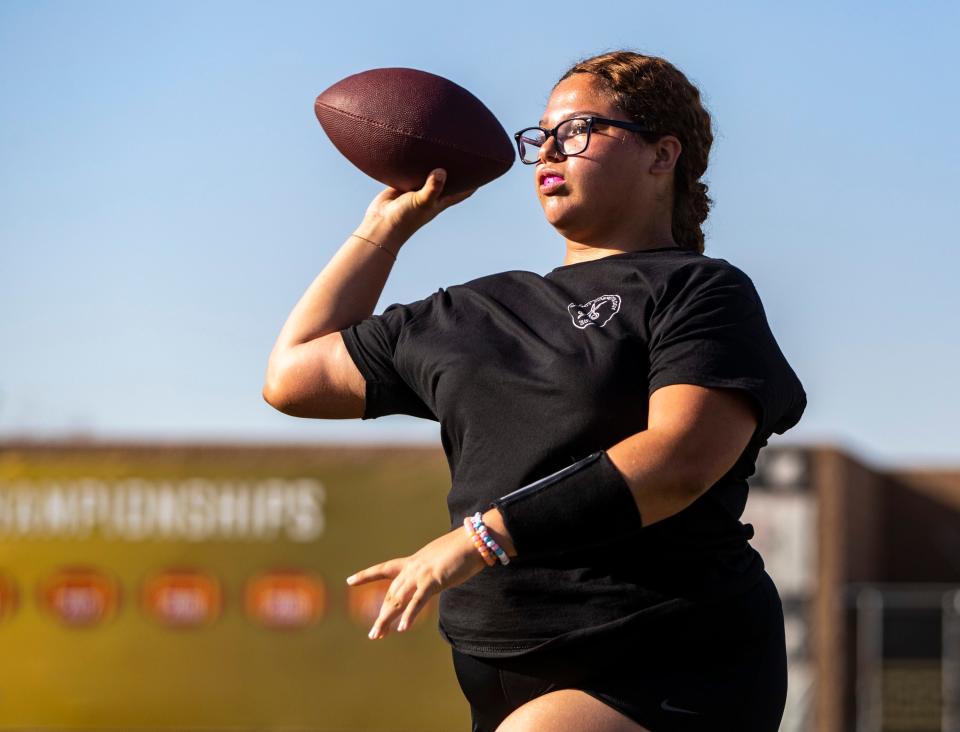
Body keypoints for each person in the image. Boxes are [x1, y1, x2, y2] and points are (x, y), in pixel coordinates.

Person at [263, 50, 807, 732]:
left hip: (667, 660)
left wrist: (479, 540)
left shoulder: (698, 292)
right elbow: (293, 377)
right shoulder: (472, 312)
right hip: (499, 666)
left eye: (578, 129)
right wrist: (384, 229)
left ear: (661, 154)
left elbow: (680, 461)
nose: (549, 147)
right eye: (540, 135)